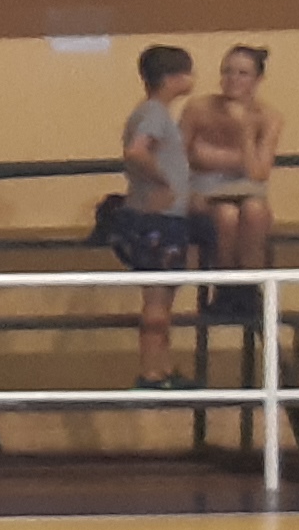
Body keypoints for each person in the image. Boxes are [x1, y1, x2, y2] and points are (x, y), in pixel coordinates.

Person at [117, 45, 205, 389]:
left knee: (164, 297)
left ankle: (163, 368)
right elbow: (137, 151)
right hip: (159, 220)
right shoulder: (154, 113)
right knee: (157, 299)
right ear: (173, 78)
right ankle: (152, 371)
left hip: (162, 218)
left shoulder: (152, 112)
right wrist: (163, 181)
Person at [182, 44, 283, 307]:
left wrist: (245, 132)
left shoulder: (268, 117)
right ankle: (226, 288)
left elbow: (258, 173)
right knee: (226, 216)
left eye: (242, 73)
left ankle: (250, 290)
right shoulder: (198, 108)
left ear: (258, 79)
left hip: (246, 190)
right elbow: (179, 157)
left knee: (255, 212)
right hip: (202, 192)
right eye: (227, 72)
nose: (233, 79)